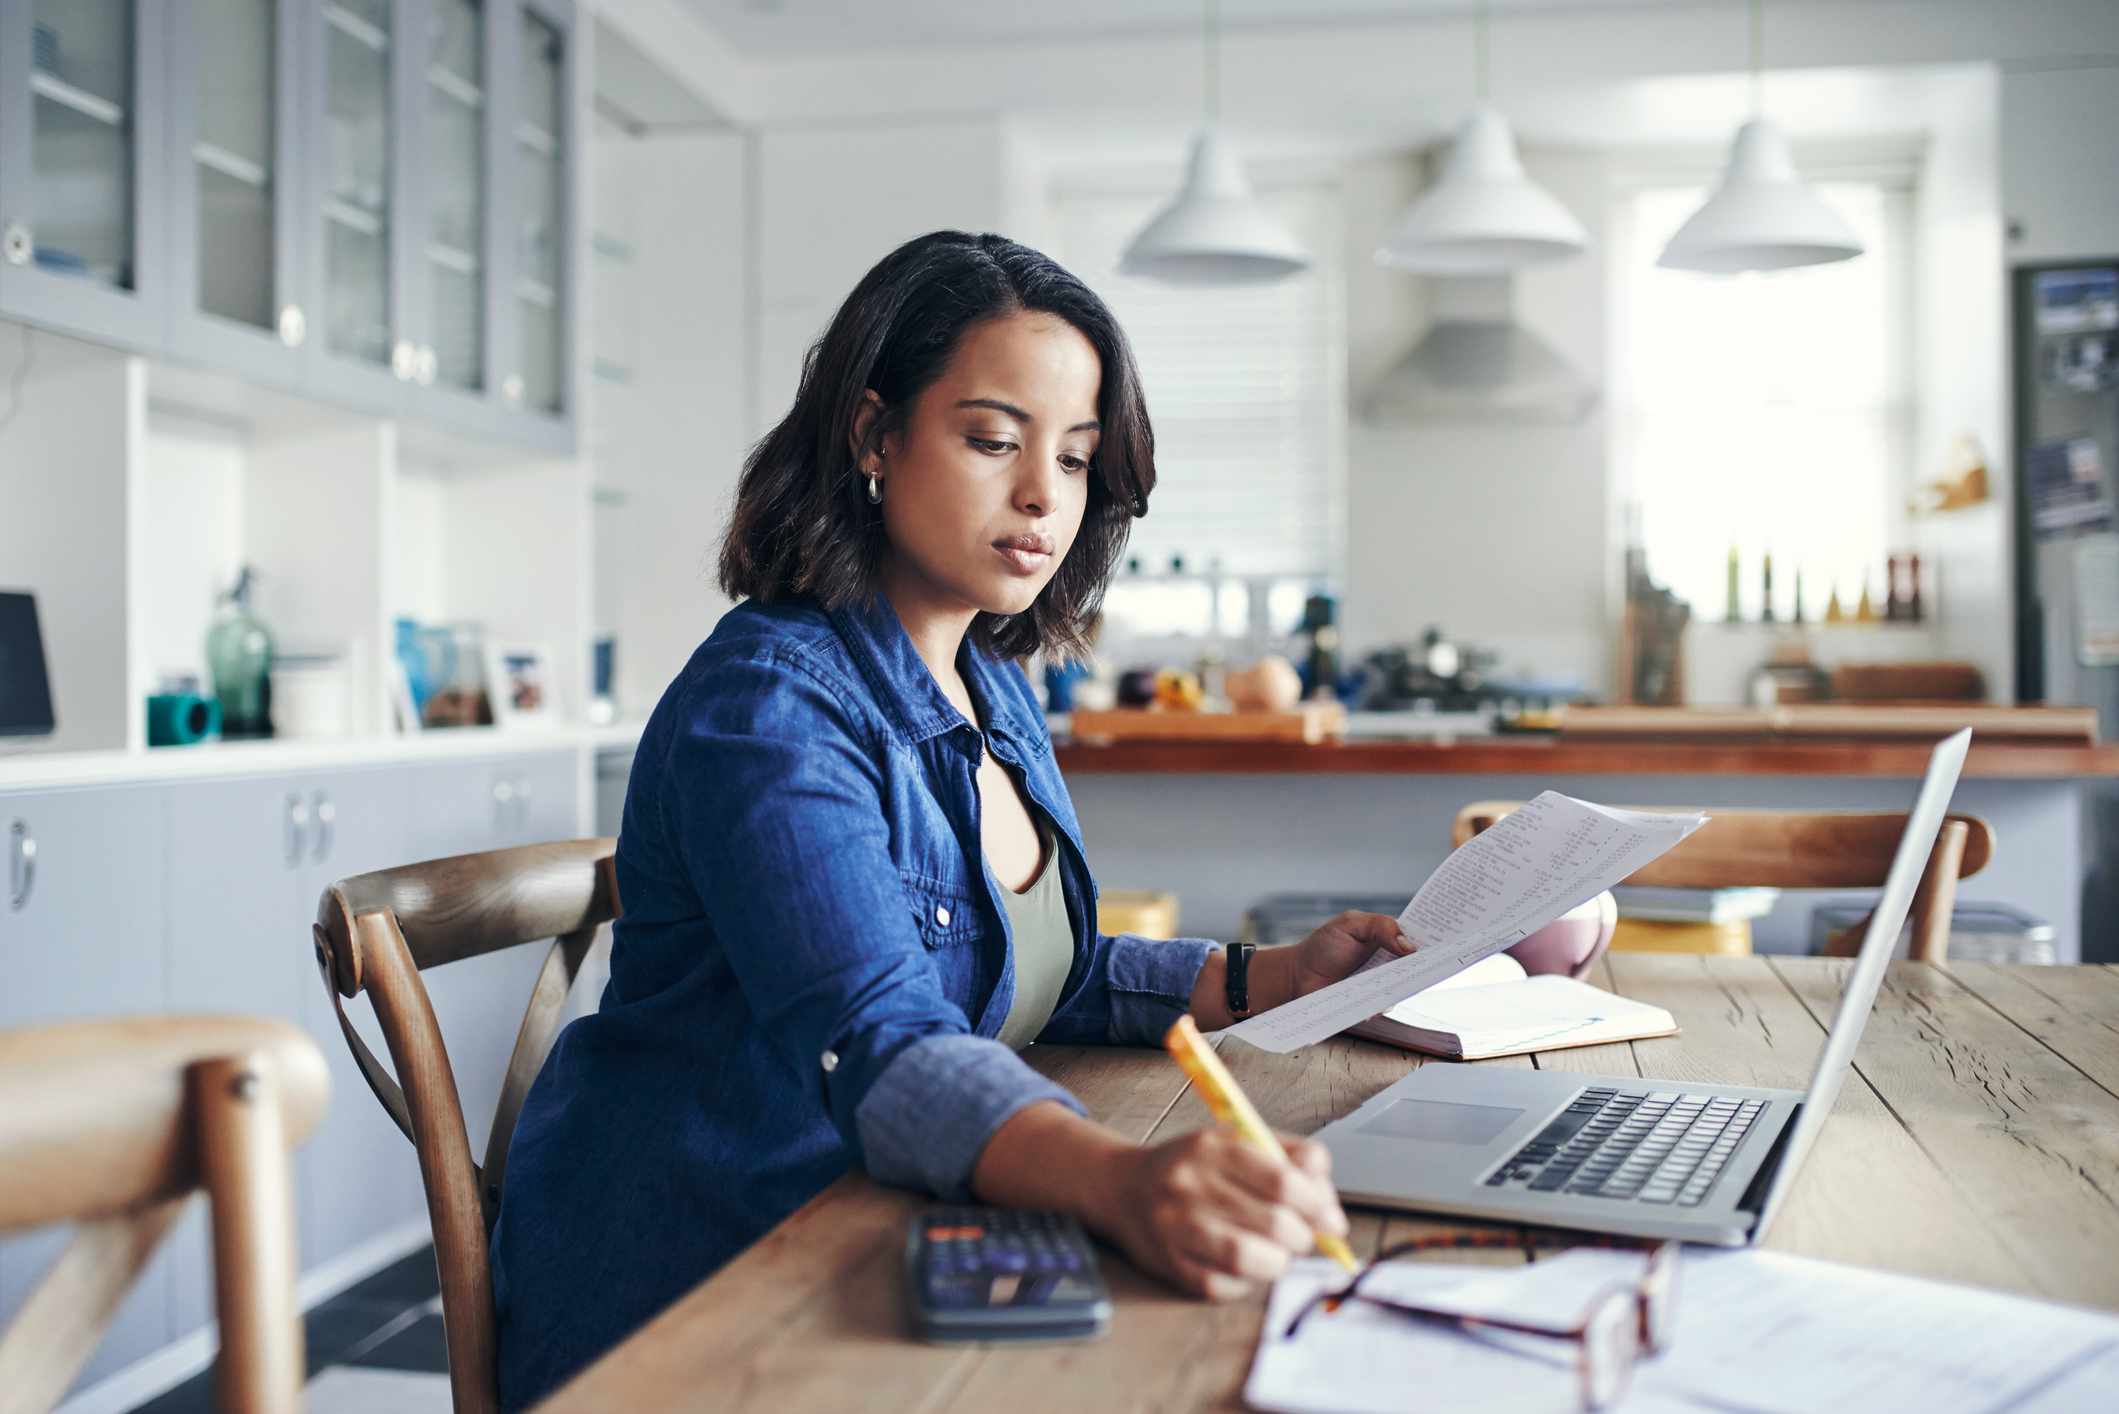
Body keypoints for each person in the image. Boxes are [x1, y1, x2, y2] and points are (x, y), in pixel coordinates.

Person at [490, 230, 1411, 1408]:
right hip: (705, 1284)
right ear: (874, 435)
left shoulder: (994, 686)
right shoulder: (769, 705)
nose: (1043, 495)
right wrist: (1124, 1182)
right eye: (992, 440)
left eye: (1076, 461)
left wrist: (1268, 975)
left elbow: (1031, 973)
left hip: (875, 1230)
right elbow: (881, 1032)